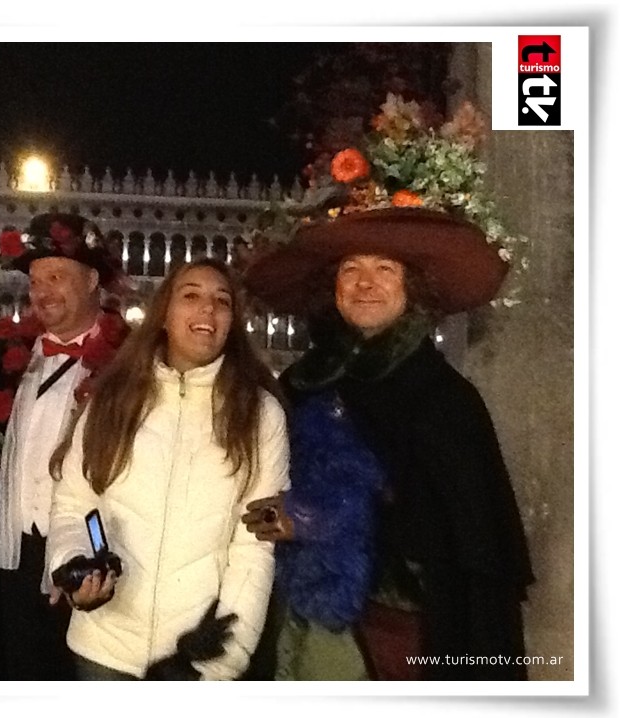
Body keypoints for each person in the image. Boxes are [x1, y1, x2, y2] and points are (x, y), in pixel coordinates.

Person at [241, 206, 534, 680]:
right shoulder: (302, 382)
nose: (365, 283)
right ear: (331, 288)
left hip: (393, 632)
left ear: (410, 288)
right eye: (350, 269)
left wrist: (319, 520)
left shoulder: (446, 400)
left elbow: (463, 543)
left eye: (385, 269)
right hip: (292, 617)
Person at [45, 257, 290, 680]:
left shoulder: (259, 414)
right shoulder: (113, 400)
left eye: (222, 301)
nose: (207, 310)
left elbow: (253, 549)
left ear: (232, 322)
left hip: (195, 656)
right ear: (164, 315)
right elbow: (73, 502)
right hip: (104, 647)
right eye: (190, 296)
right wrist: (74, 566)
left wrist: (218, 661)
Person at [0, 212, 129, 680]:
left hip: (90, 563)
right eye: (36, 280)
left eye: (57, 277)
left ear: (93, 281)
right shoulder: (7, 362)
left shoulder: (130, 366)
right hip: (14, 558)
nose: (42, 291)